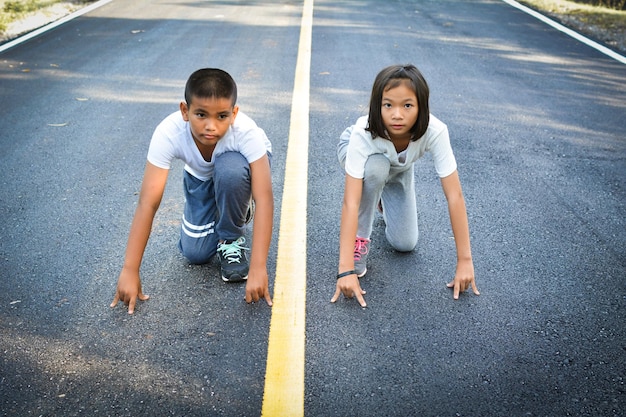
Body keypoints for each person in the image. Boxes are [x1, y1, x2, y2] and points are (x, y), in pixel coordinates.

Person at [111, 68, 274, 314]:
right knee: (195, 254)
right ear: (185, 111)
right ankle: (226, 205)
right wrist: (129, 269)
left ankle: (232, 230)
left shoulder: (246, 133)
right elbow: (148, 202)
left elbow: (265, 198)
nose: (211, 126)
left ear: (234, 113)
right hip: (199, 175)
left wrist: (258, 267)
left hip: (239, 167)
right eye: (201, 114)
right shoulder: (168, 133)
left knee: (229, 172)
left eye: (222, 116)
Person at [331, 64, 479, 307]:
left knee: (405, 244)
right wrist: (345, 268)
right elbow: (351, 201)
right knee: (377, 168)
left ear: (421, 107)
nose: (397, 115)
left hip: (400, 165)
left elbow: (455, 196)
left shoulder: (435, 130)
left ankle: (381, 195)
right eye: (388, 105)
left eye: (407, 105)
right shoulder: (362, 133)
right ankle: (362, 236)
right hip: (364, 156)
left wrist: (465, 260)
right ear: (377, 106)